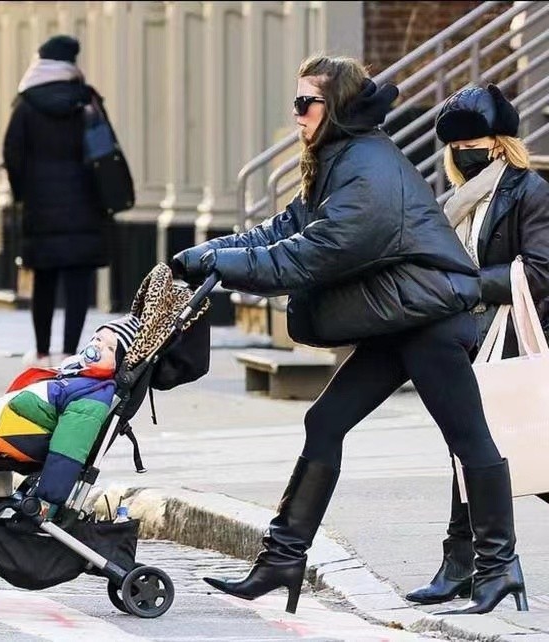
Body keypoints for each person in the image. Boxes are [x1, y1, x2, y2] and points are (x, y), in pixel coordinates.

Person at [171, 55, 527, 616]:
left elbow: (312, 253)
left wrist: (227, 266)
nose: (296, 116)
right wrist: (216, 252)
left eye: (304, 104)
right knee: (326, 420)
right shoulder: (340, 157)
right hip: (400, 320)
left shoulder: (369, 171)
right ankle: (282, 559)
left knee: (469, 439)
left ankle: (498, 567)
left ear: (332, 106)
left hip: (429, 324)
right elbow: (288, 226)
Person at [405, 84, 549, 607]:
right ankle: (464, 564)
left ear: (497, 146)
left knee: (524, 452)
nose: (462, 155)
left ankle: (474, 565)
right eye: (456, 147)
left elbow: (539, 271)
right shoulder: (458, 203)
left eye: (474, 144)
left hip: (517, 340)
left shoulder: (529, 191)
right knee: (469, 450)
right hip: (469, 340)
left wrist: (465, 283)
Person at [0, 314, 140, 531]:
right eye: (97, 339)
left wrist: (47, 499)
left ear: (119, 364)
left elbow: (69, 448)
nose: (99, 346)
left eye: (110, 348)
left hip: (16, 435)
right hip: (7, 428)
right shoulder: (77, 374)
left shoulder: (93, 397)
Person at [3, 35, 111, 367]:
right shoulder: (87, 101)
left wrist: (22, 192)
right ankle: (69, 351)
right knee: (78, 280)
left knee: (44, 279)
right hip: (83, 203)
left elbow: (12, 152)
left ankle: (41, 351)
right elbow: (105, 150)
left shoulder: (25, 106)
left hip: (40, 204)